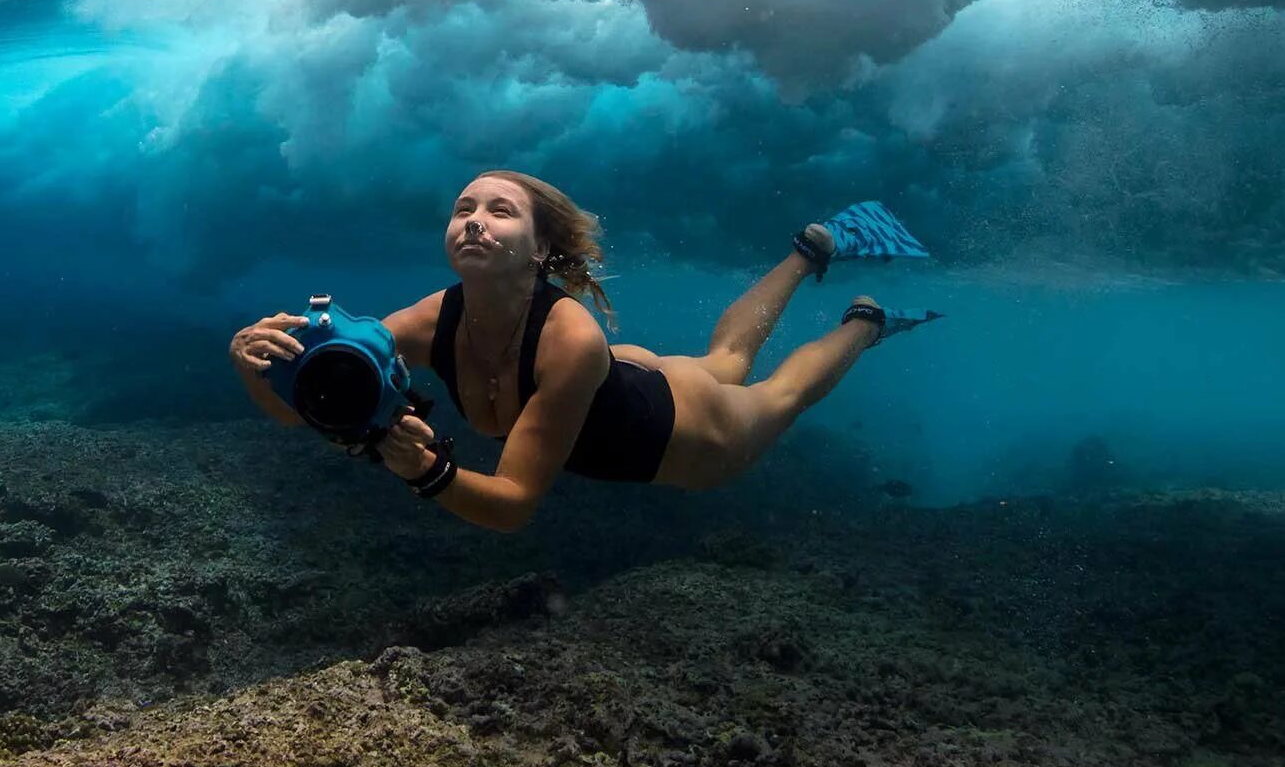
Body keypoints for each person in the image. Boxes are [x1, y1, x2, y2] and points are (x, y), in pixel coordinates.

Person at [228, 171, 937, 532]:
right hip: (627, 373)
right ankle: (811, 248)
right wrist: (265, 365)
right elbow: (312, 408)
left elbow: (511, 505)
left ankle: (866, 321)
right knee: (723, 358)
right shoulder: (426, 319)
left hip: (693, 436)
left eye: (498, 211)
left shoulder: (568, 338)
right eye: (462, 209)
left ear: (540, 248)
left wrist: (431, 473)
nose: (473, 220)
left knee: (776, 391)